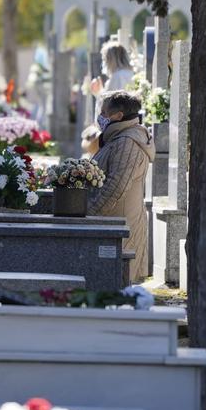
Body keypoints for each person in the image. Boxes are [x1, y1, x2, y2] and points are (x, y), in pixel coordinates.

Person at [87, 90, 154, 279]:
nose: (100, 117)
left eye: (104, 112)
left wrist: (88, 213)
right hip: (113, 223)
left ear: (118, 116)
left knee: (116, 285)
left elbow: (116, 186)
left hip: (119, 226)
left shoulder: (127, 142)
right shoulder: (117, 138)